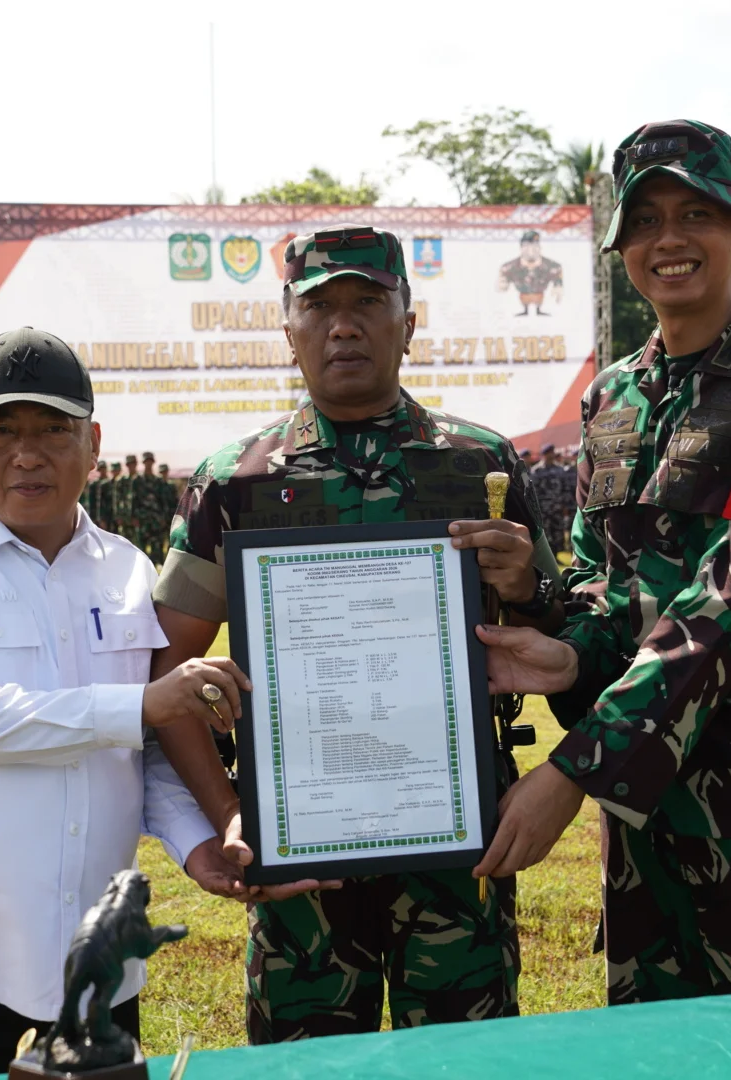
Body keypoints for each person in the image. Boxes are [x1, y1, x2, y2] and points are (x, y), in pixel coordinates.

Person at [467, 119, 731, 1007]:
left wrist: (576, 768)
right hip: (651, 803)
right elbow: (601, 582)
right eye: (645, 219)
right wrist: (560, 639)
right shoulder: (613, 396)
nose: (669, 239)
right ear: (621, 245)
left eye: (695, 213)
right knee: (662, 1042)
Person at [150, 224, 564, 1043]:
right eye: (320, 307)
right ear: (288, 329)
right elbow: (169, 675)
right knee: (305, 1064)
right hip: (301, 854)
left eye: (368, 304)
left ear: (408, 323)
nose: (343, 325)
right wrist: (230, 813)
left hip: (456, 847)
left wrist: (529, 587)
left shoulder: (479, 465)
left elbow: (556, 626)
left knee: (462, 1062)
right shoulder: (235, 481)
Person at [0, 327, 250, 1080]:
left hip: (89, 948)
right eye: (1, 432)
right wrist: (141, 704)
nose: (27, 455)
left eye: (53, 430)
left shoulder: (126, 570)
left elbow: (142, 749)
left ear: (93, 444)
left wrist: (196, 841)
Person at [496, 230, 564, 316]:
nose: (531, 250)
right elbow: (501, 288)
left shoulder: (552, 266)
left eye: (535, 245)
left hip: (540, 296)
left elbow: (558, 282)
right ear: (521, 248)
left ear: (540, 247)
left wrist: (558, 288)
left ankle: (538, 309)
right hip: (521, 299)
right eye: (526, 245)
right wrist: (502, 284)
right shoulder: (509, 267)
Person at [531, 442, 576, 556]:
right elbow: (534, 491)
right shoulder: (536, 470)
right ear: (544, 454)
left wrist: (565, 505)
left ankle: (555, 556)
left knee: (558, 534)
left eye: (552, 453)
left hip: (557, 508)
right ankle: (548, 558)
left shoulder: (560, 469)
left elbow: (565, 489)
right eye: (548, 453)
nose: (550, 455)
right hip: (543, 509)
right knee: (545, 534)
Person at [84, 460, 115, 533]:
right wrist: (96, 518)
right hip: (100, 517)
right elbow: (92, 502)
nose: (103, 471)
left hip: (111, 516)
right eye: (101, 469)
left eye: (104, 469)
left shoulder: (112, 482)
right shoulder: (94, 484)